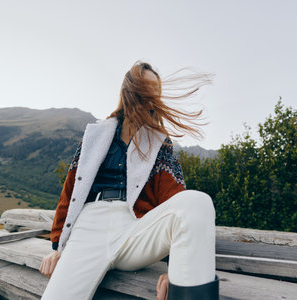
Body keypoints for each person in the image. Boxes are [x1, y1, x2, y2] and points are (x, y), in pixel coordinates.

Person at [39, 61, 219, 300]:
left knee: (197, 202)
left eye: (156, 89)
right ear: (129, 90)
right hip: (88, 227)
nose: (152, 94)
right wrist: (57, 248)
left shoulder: (159, 143)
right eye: (146, 86)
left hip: (134, 230)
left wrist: (178, 270)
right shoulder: (95, 134)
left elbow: (175, 202)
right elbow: (71, 191)